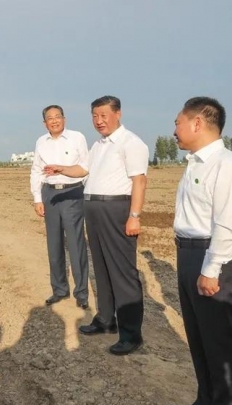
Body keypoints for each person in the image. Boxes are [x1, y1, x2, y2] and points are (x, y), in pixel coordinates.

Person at [173, 97, 232, 405]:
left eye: (178, 123)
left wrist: (210, 268)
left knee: (219, 343)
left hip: (215, 259)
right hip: (189, 255)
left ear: (197, 123)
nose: (175, 130)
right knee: (199, 339)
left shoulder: (227, 165)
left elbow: (228, 224)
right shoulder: (195, 163)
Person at [67, 96, 149, 356]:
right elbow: (83, 170)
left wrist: (134, 215)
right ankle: (105, 319)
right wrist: (60, 169)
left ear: (118, 114)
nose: (98, 121)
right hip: (94, 208)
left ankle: (131, 334)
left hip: (116, 209)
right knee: (101, 267)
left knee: (122, 272)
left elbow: (139, 181)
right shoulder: (99, 145)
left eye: (103, 115)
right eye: (94, 116)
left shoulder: (131, 143)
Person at [30, 104, 90, 309]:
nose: (54, 120)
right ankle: (59, 289)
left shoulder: (77, 138)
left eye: (58, 116)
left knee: (76, 244)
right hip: (50, 194)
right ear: (44, 123)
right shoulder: (41, 142)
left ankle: (81, 293)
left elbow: (86, 167)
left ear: (64, 119)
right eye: (50, 118)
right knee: (54, 244)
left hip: (72, 193)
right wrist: (38, 198)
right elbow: (36, 171)